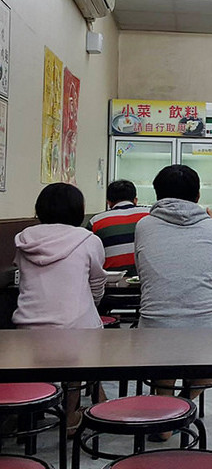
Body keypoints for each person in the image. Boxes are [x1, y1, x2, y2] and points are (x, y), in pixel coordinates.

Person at [135, 164, 212, 439]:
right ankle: (184, 403)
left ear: (157, 195)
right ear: (198, 196)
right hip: (206, 332)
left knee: (163, 346)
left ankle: (166, 408)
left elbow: (142, 271)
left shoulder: (143, 226)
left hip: (153, 332)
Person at [12, 183, 107, 433]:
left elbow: (22, 278)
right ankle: (71, 414)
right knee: (83, 350)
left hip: (26, 329)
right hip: (76, 331)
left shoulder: (24, 240)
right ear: (78, 210)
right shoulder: (89, 240)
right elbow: (98, 281)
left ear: (40, 209)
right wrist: (93, 302)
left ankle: (29, 412)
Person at [87, 179, 149, 276]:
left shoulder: (96, 221)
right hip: (146, 277)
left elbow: (89, 254)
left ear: (109, 202)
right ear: (135, 200)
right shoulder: (149, 215)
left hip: (112, 280)